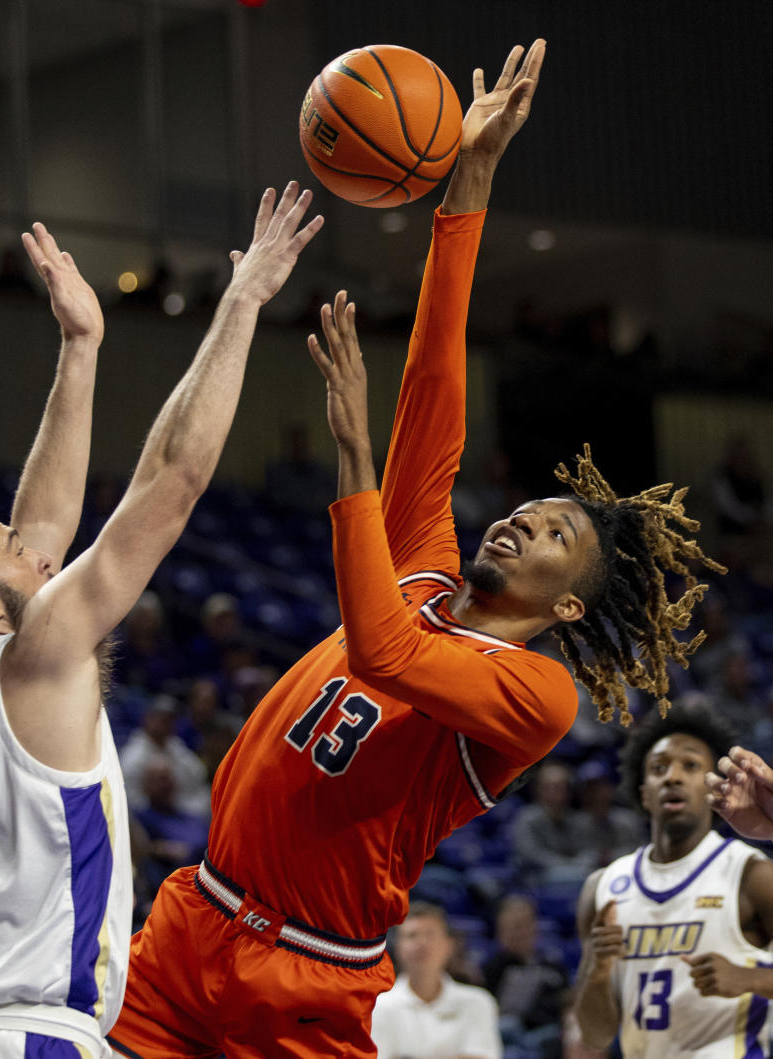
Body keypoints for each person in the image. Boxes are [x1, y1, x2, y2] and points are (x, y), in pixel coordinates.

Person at [110, 40, 723, 1059]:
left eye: (555, 533)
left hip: (307, 977)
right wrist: (466, 191)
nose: (523, 520)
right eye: (527, 508)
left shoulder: (534, 697)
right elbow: (437, 391)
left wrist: (354, 459)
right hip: (190, 927)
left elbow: (384, 653)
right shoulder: (426, 565)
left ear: (569, 604)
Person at [0, 182, 323, 1058]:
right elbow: (171, 482)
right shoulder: (30, 655)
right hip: (30, 1037)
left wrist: (81, 347)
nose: (35, 549)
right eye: (7, 547)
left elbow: (41, 528)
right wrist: (241, 302)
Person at [573, 705, 773, 1057]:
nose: (673, 777)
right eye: (658, 768)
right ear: (644, 792)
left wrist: (750, 980)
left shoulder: (750, 874)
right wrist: (598, 971)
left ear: (715, 785)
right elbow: (596, 1034)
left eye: (691, 766)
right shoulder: (603, 887)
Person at [370, 901, 501, 1059]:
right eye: (412, 936)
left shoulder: (478, 1002)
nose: (422, 944)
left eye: (430, 934)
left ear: (449, 945)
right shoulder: (377, 1007)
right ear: (397, 947)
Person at [482, 895, 567, 1059]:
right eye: (513, 927)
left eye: (523, 925)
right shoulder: (489, 969)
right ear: (500, 930)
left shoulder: (553, 966)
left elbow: (564, 1005)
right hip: (504, 1036)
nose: (519, 933)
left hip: (546, 1035)